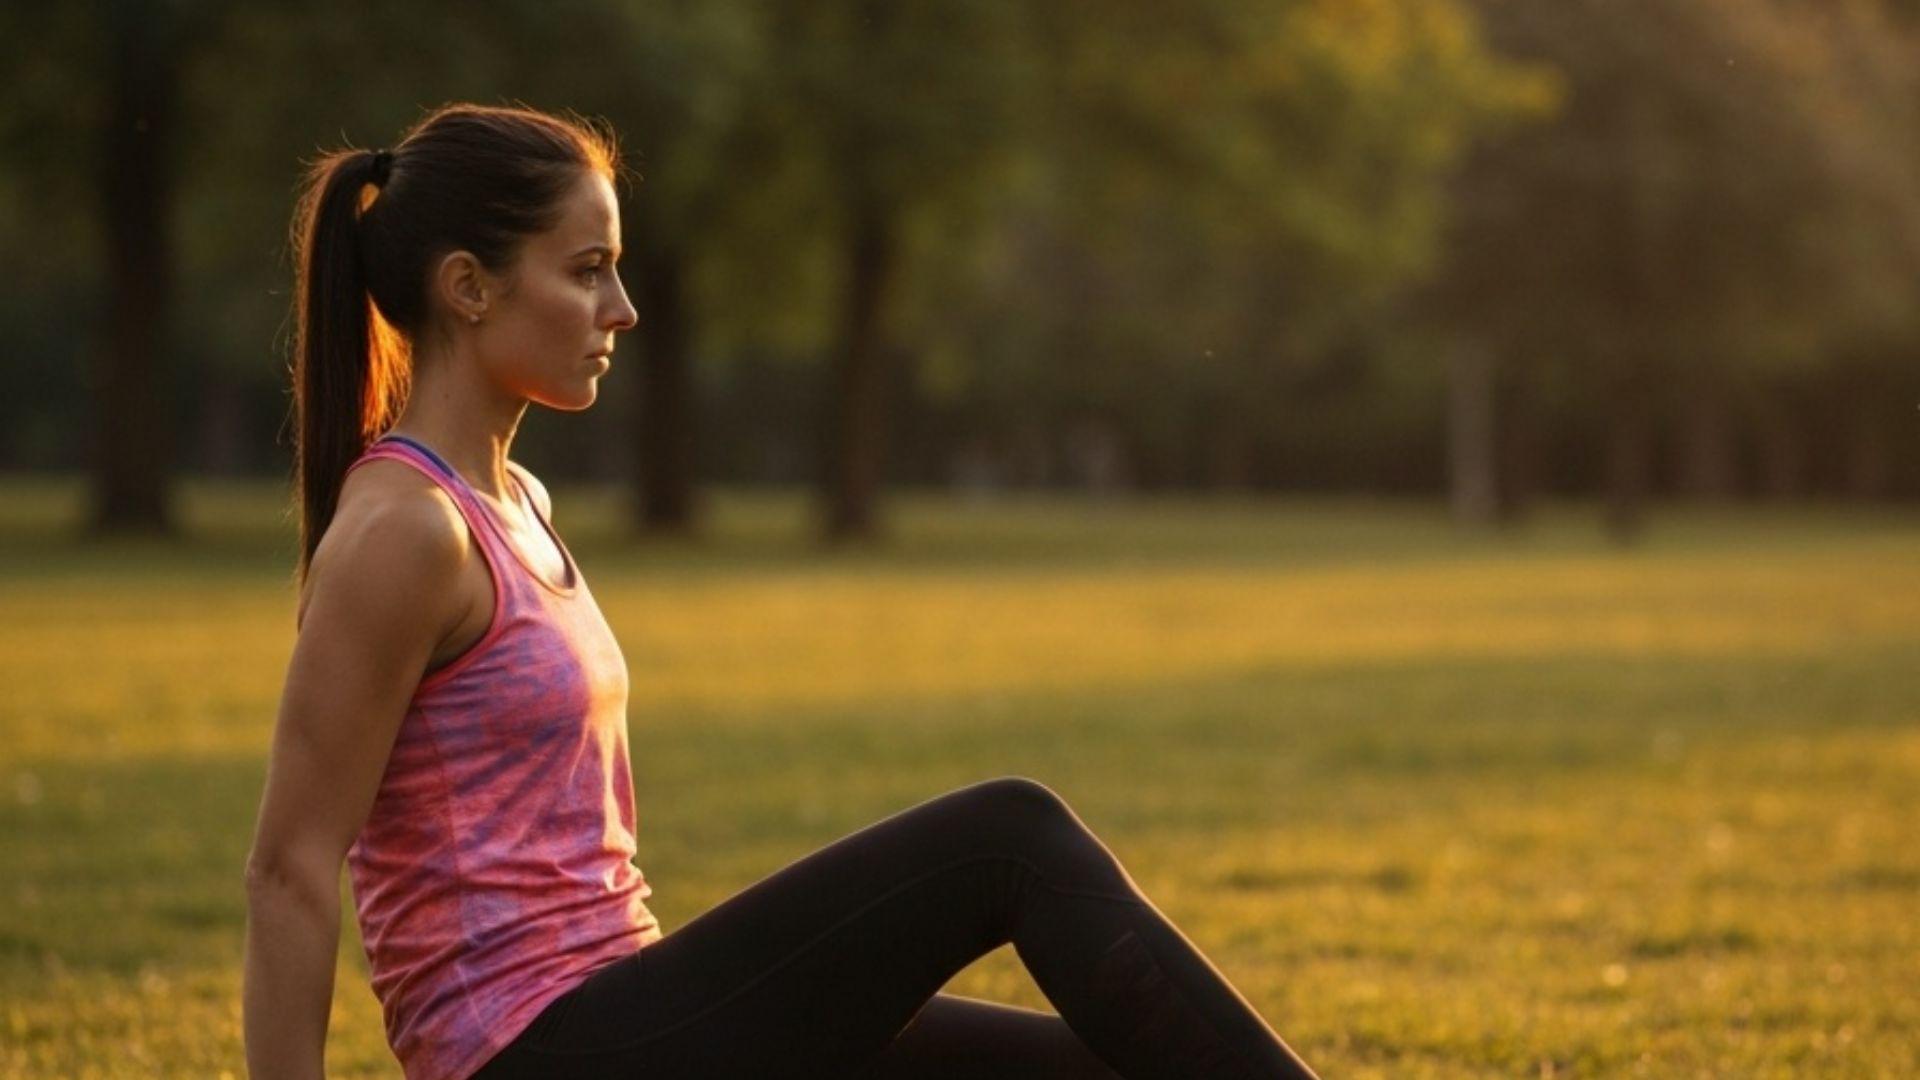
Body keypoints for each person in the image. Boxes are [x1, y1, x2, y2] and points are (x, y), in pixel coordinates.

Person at [241, 101, 1322, 1080]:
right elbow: (291, 866)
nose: (622, 309)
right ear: (469, 287)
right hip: (538, 1048)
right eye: (587, 271)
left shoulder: (513, 499)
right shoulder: (407, 532)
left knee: (1117, 1066)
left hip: (629, 1010)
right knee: (1009, 838)